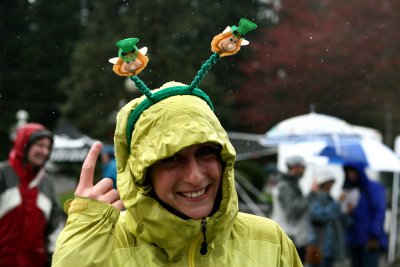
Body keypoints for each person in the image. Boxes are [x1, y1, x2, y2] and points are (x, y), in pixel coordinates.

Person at [52, 18, 302, 266]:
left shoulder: (269, 242)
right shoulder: (105, 246)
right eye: (172, 159)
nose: (195, 177)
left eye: (205, 152)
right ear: (143, 174)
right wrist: (80, 247)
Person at [0, 122, 64, 267]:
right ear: (24, 144)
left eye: (48, 147)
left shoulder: (46, 183)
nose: (44, 152)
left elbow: (54, 229)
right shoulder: (3, 174)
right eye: (40, 145)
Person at [339, 163, 387, 267]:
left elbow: (379, 212)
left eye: (353, 172)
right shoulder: (348, 190)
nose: (350, 175)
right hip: (353, 240)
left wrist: (374, 234)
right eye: (348, 172)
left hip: (369, 240)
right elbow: (344, 215)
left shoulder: (372, 188)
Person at [271, 155, 318, 262]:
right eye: (303, 168)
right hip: (290, 237)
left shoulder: (290, 183)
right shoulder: (286, 185)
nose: (304, 171)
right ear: (295, 167)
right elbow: (293, 211)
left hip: (292, 236)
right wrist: (311, 194)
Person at [307, 170, 347, 267]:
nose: (331, 185)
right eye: (330, 183)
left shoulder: (330, 199)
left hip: (330, 249)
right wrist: (338, 202)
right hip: (319, 248)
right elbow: (321, 216)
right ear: (324, 184)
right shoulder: (314, 199)